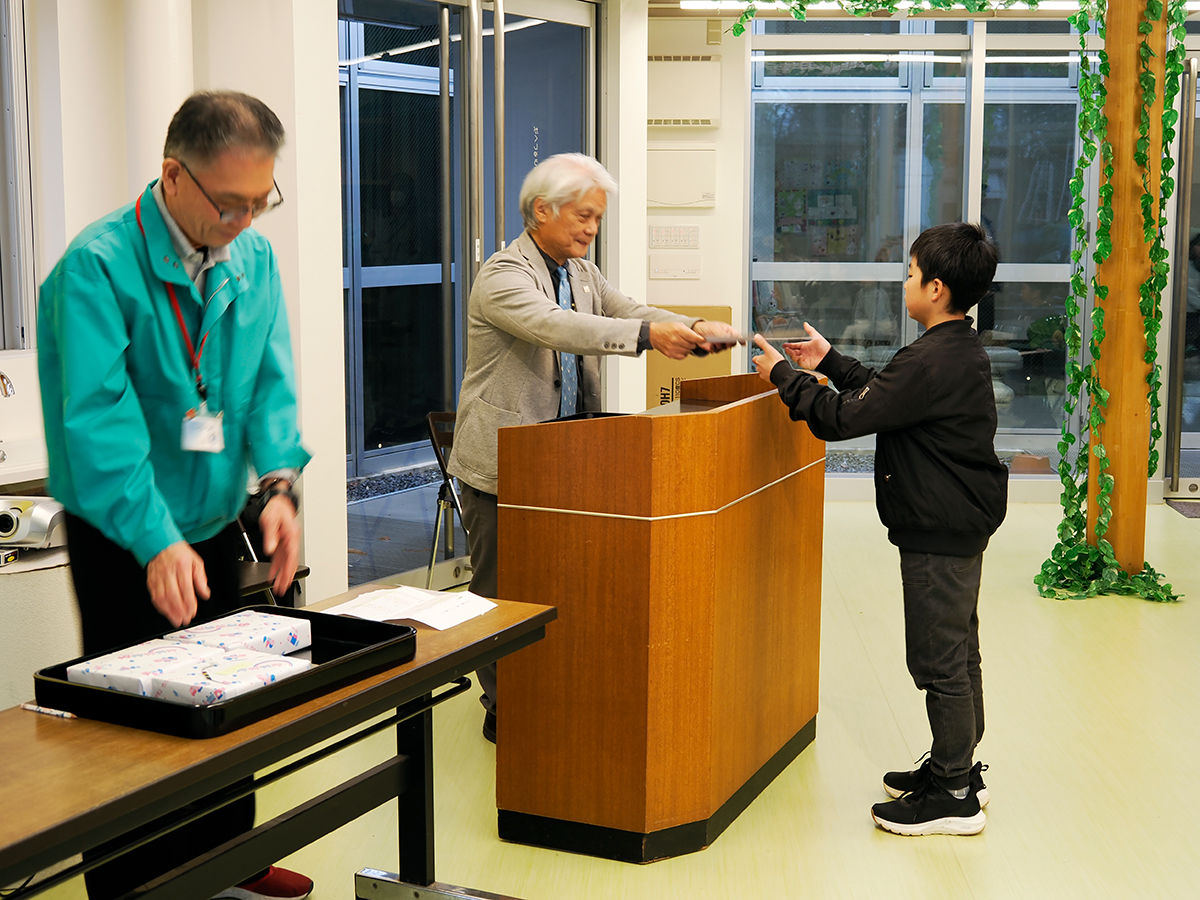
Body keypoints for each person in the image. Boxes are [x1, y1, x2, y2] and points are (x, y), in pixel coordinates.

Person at [38, 91, 313, 900]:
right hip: (124, 537)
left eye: (261, 202)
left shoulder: (250, 260)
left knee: (223, 697)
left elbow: (268, 384)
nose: (246, 221)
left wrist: (276, 489)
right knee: (133, 724)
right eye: (231, 204)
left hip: (210, 519)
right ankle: (133, 885)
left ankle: (231, 861)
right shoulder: (95, 270)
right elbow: (98, 426)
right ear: (173, 176)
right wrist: (155, 539)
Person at [447, 152, 741, 742]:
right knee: (499, 591)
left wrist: (688, 325)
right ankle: (504, 708)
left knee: (564, 583)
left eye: (598, 220)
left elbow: (626, 309)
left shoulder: (581, 271)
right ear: (541, 211)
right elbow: (557, 326)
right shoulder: (503, 274)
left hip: (569, 457)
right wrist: (646, 337)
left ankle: (550, 687)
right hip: (503, 463)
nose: (591, 229)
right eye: (584, 217)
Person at [751, 222, 1008, 836]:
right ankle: (958, 768)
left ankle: (952, 795)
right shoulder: (954, 348)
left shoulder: (928, 360)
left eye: (913, 274)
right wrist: (830, 361)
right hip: (955, 523)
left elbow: (842, 419)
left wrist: (784, 376)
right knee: (958, 651)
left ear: (938, 288)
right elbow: (885, 396)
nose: (906, 282)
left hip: (938, 529)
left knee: (938, 659)